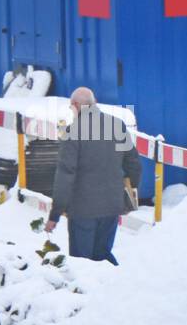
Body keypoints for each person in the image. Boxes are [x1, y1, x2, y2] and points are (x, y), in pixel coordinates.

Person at [45, 87, 141, 264]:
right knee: (103, 255)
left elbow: (66, 175)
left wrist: (55, 214)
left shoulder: (73, 132)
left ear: (75, 105)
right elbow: (133, 163)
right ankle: (118, 286)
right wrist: (129, 191)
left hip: (83, 209)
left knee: (82, 263)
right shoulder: (116, 125)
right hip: (112, 206)